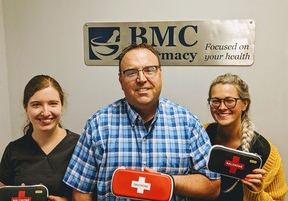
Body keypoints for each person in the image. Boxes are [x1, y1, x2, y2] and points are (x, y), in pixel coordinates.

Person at [63, 43, 220, 200]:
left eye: (149, 70)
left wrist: (168, 182)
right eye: (131, 73)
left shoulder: (188, 123)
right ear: (120, 80)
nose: (142, 79)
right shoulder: (98, 125)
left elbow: (212, 186)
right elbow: (81, 191)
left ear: (160, 73)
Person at [204, 73, 288, 200]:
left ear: (244, 104)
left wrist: (256, 192)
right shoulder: (199, 133)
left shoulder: (266, 152)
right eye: (215, 101)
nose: (222, 107)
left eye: (230, 100)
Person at [0, 75, 80, 201]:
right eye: (36, 105)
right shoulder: (13, 150)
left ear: (62, 106)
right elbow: (3, 195)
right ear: (26, 108)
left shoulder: (81, 146)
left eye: (53, 104)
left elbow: (94, 195)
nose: (46, 112)